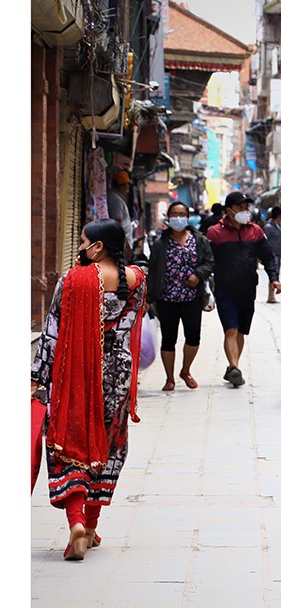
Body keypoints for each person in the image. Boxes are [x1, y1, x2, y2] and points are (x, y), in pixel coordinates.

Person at [31, 218, 147, 561]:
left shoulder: (71, 281)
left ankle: (77, 522)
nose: (80, 247)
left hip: (76, 372)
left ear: (97, 247)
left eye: (83, 242)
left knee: (71, 441)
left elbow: (52, 333)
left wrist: (37, 378)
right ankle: (93, 528)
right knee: (108, 444)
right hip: (117, 375)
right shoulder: (136, 280)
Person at [206, 191, 281, 387]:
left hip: (248, 289)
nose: (245, 211)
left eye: (246, 207)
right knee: (230, 330)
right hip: (225, 289)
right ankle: (234, 368)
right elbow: (207, 261)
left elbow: (268, 256)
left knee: (240, 332)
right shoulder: (215, 232)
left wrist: (274, 279)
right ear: (229, 210)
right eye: (240, 207)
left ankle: (233, 367)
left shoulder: (255, 231)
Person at [146, 201, 214, 391]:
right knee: (169, 339)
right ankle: (169, 378)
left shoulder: (199, 240)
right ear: (168, 218)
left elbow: (210, 262)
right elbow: (152, 272)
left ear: (187, 216)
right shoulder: (160, 243)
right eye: (174, 214)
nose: (178, 217)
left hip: (192, 297)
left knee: (193, 337)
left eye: (182, 214)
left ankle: (185, 370)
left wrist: (198, 274)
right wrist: (148, 299)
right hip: (166, 298)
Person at [263, 206, 281, 302]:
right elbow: (265, 242)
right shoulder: (268, 227)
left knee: (276, 274)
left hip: (278, 253)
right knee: (273, 274)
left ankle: (272, 295)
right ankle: (271, 296)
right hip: (272, 254)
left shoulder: (280, 226)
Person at [106, 170, 135, 253]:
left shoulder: (116, 197)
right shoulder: (115, 199)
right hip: (121, 246)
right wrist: (127, 247)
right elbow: (117, 225)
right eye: (127, 185)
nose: (127, 189)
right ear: (123, 186)